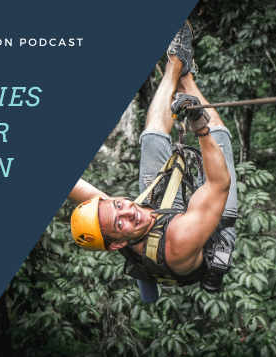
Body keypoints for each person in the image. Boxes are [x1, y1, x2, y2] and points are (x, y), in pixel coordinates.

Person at [67, 22, 238, 303]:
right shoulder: (179, 242)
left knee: (153, 136)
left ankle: (175, 64)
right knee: (218, 136)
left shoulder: (111, 218)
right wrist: (199, 125)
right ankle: (187, 79)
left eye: (119, 204)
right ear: (119, 244)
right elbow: (218, 183)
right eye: (120, 224)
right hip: (204, 229)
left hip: (159, 216)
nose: (128, 212)